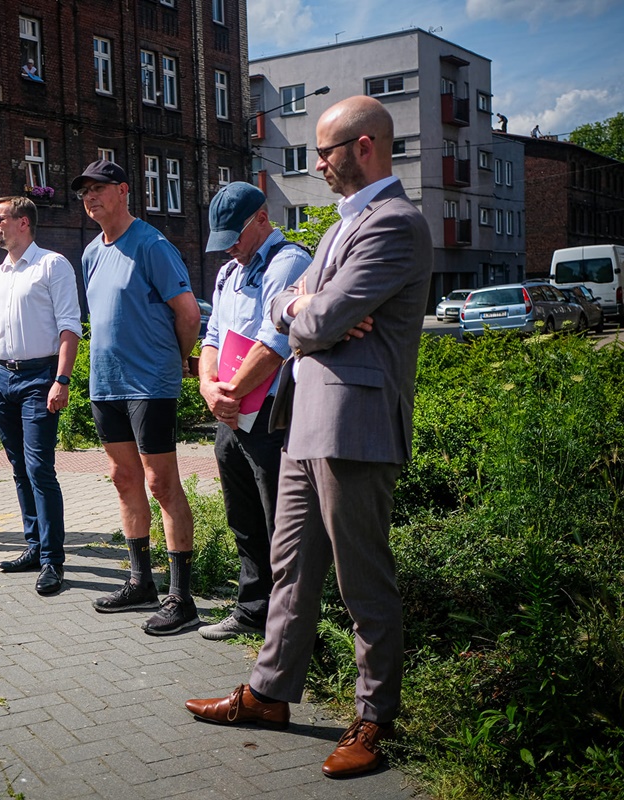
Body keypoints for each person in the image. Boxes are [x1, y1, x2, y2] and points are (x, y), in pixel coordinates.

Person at [184, 95, 433, 779]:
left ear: (365, 148)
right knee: (290, 567)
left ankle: (375, 718)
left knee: (363, 581)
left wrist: (308, 312)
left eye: (326, 152)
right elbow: (296, 309)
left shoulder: (397, 225)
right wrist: (304, 308)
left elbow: (319, 317)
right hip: (302, 423)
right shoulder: (336, 230)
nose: (317, 164)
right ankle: (268, 694)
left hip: (355, 426)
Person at [71, 159, 203, 635]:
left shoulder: (152, 244)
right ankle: (140, 581)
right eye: (84, 192)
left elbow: (188, 313)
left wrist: (179, 362)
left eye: (99, 189)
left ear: (124, 191)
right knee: (123, 478)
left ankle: (181, 596)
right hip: (106, 384)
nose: (90, 197)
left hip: (150, 383)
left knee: (160, 483)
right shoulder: (90, 253)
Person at [195, 184, 311, 641]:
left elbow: (275, 341)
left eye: (235, 235)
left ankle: (287, 627)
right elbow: (213, 335)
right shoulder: (229, 272)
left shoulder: (289, 263)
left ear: (262, 218)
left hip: (270, 417)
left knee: (278, 520)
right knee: (242, 517)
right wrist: (209, 390)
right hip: (231, 415)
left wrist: (230, 393)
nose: (229, 246)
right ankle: (251, 609)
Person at [0, 196, 80, 596]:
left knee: (39, 468)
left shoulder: (52, 265)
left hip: (39, 378)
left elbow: (70, 328)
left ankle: (52, 560)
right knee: (18, 467)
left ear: (23, 223)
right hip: (1, 379)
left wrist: (61, 380)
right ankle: (33, 547)